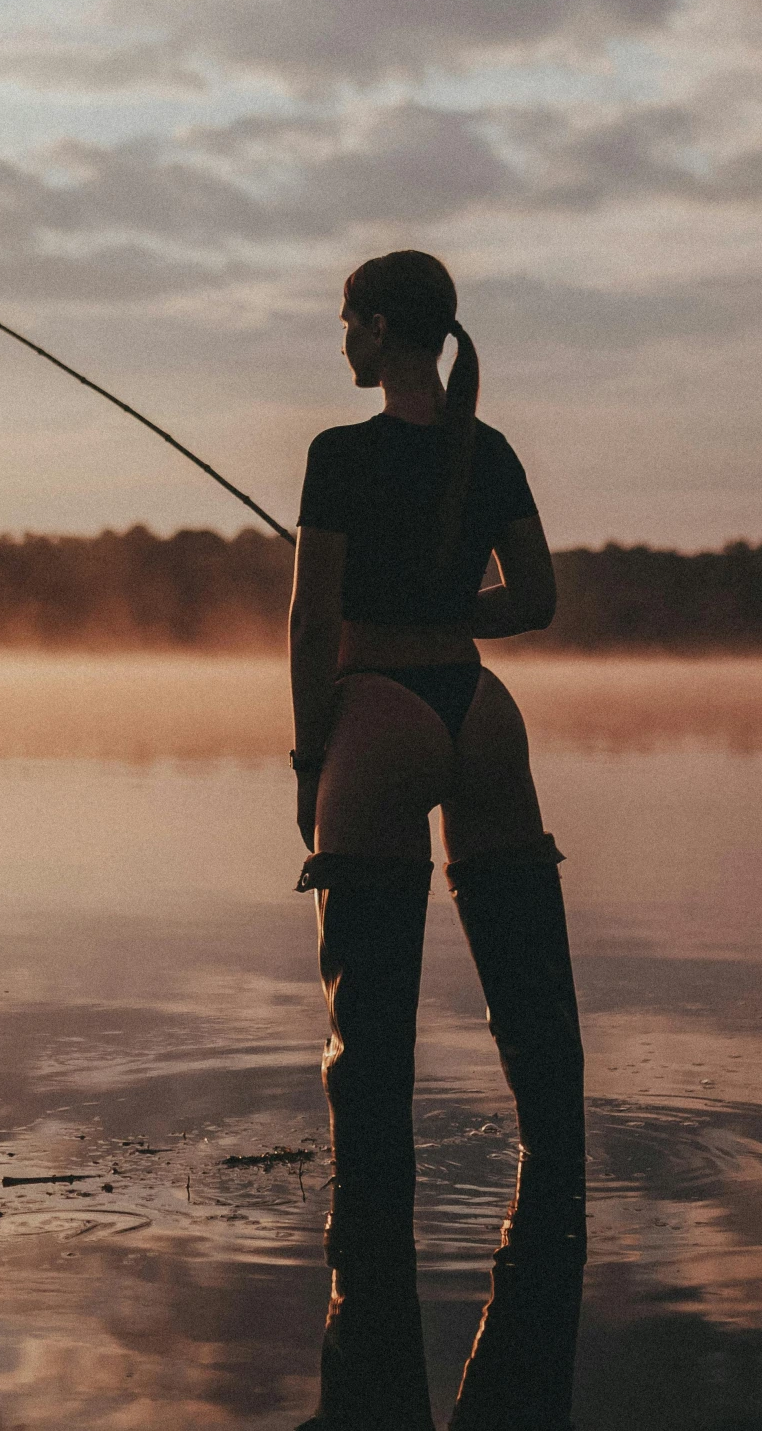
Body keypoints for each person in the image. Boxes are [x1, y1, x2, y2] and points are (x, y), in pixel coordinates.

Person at [288, 250, 586, 1431]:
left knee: (369, 1036)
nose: (340, 344)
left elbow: (314, 618)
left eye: (347, 322)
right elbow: (538, 601)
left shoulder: (337, 452)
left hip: (379, 714)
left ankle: (371, 1254)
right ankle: (555, 1188)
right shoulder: (489, 444)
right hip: (479, 711)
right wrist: (443, 613)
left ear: (380, 331)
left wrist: (310, 759)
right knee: (532, 997)